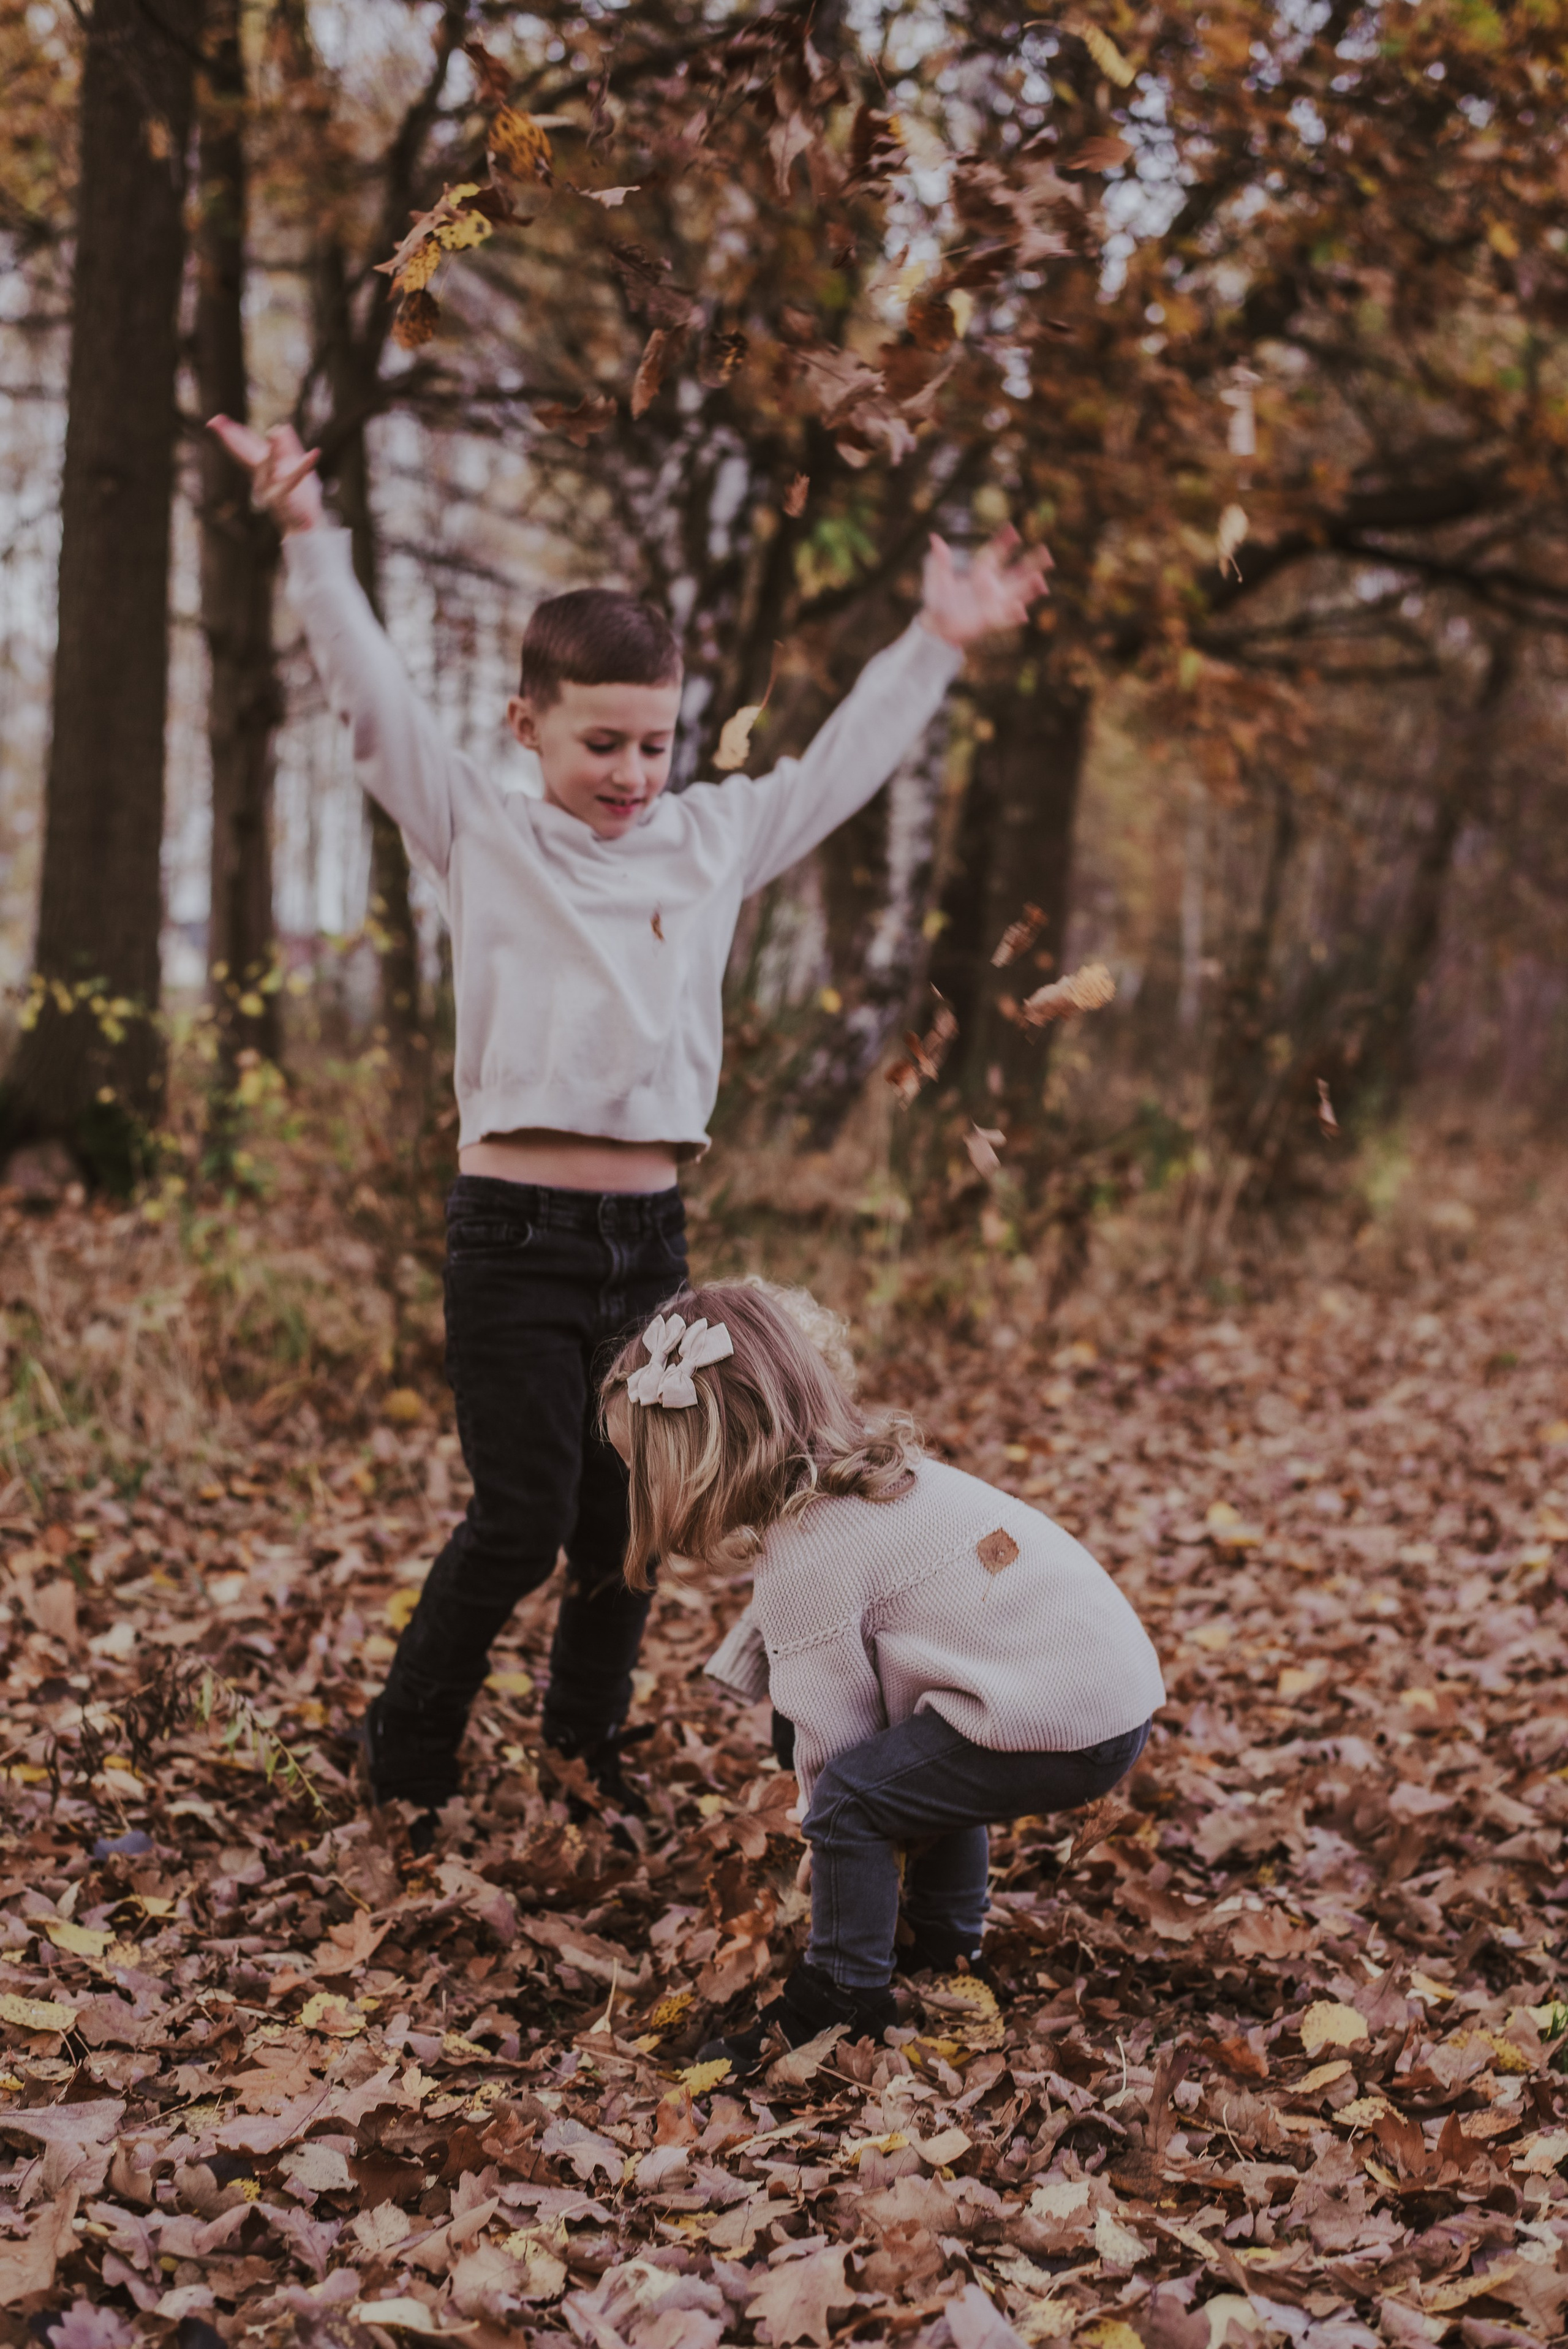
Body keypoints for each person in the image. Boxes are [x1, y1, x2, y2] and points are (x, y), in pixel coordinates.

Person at [207, 415, 1051, 1836]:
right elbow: (371, 705)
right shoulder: (479, 824)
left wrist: (936, 644)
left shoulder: (710, 838)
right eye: (600, 741)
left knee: (624, 1526)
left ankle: (583, 1751)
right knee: (521, 1511)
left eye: (654, 740)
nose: (632, 771)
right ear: (527, 723)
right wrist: (309, 535)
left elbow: (839, 769)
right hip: (512, 1237)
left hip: (645, 1243)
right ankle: (403, 1745)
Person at [602, 1280, 1165, 2069]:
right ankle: (945, 1944)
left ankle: (840, 1994)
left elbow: (831, 1739)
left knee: (857, 1795)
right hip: (1102, 1693)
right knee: (925, 1761)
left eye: (640, 1471)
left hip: (1063, 1716)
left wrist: (823, 1833)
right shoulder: (864, 1479)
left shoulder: (810, 1546)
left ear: (698, 1461)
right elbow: (812, 1619)